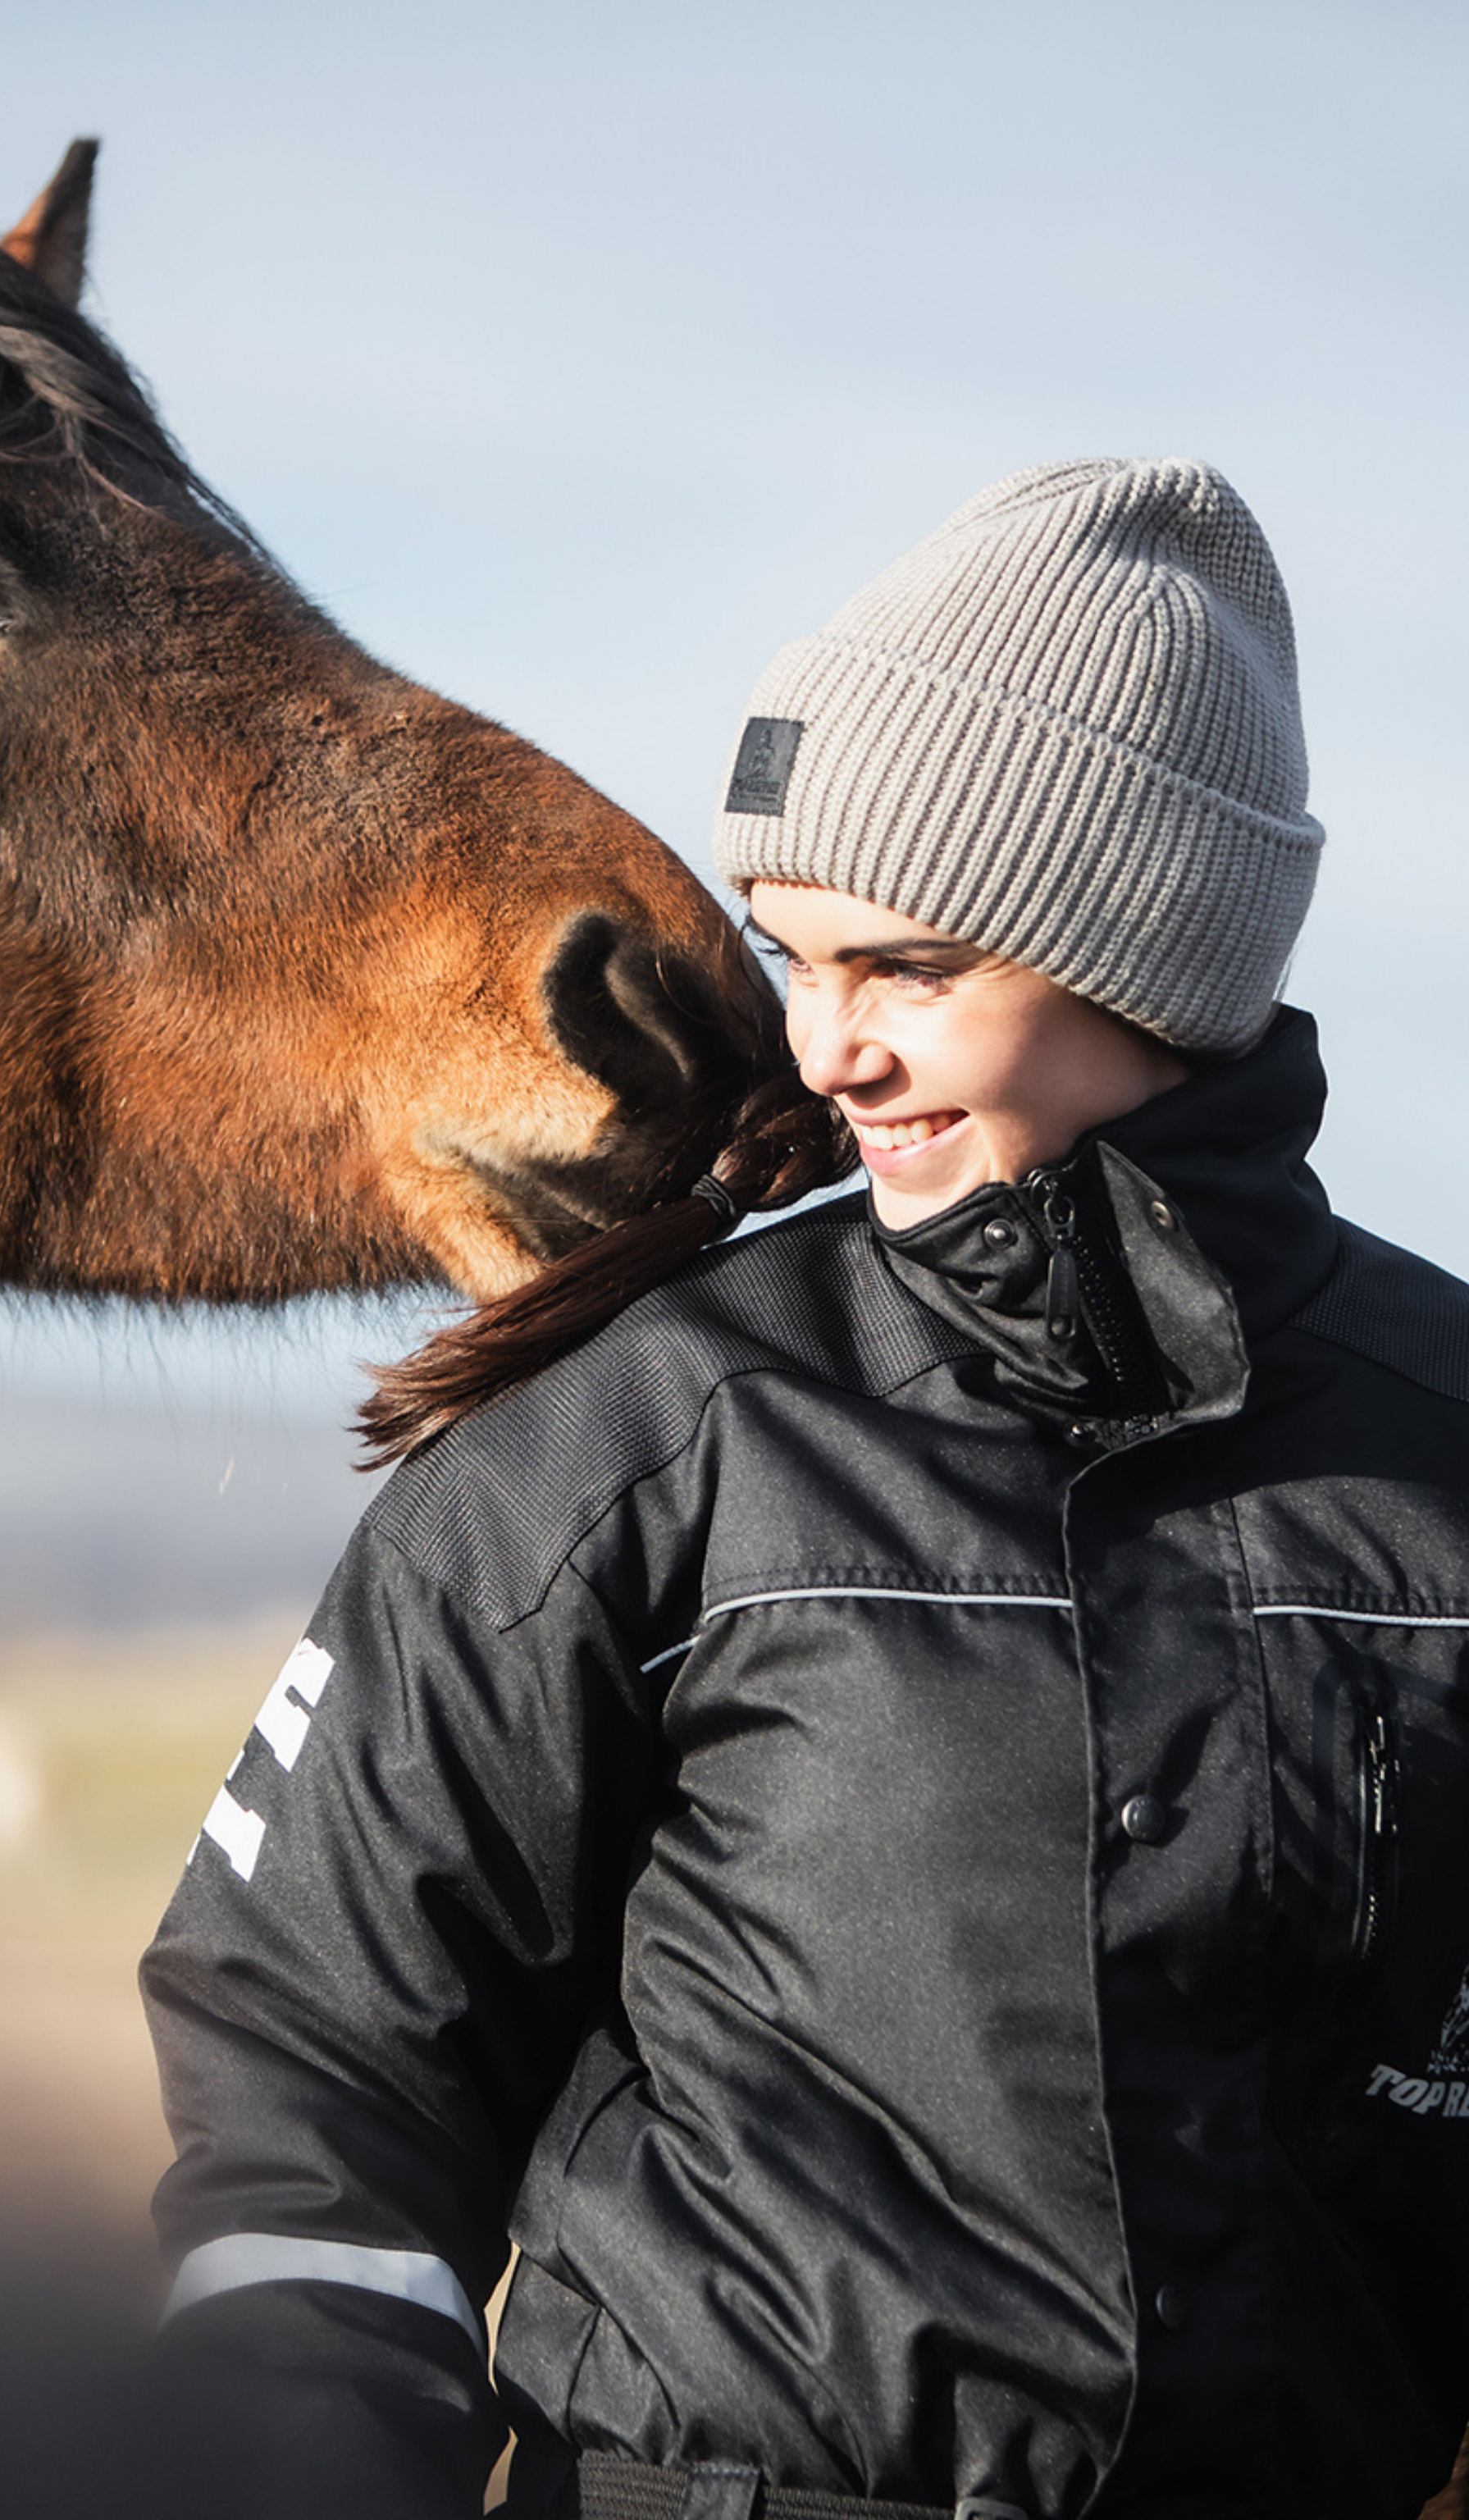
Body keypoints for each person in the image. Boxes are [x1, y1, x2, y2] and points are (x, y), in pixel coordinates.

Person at [140, 459, 1469, 2520]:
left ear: (1148, 955)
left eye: (909, 968)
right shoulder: (634, 1445)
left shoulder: (1442, 1443)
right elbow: (319, 2057)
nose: (824, 1051)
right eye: (794, 958)